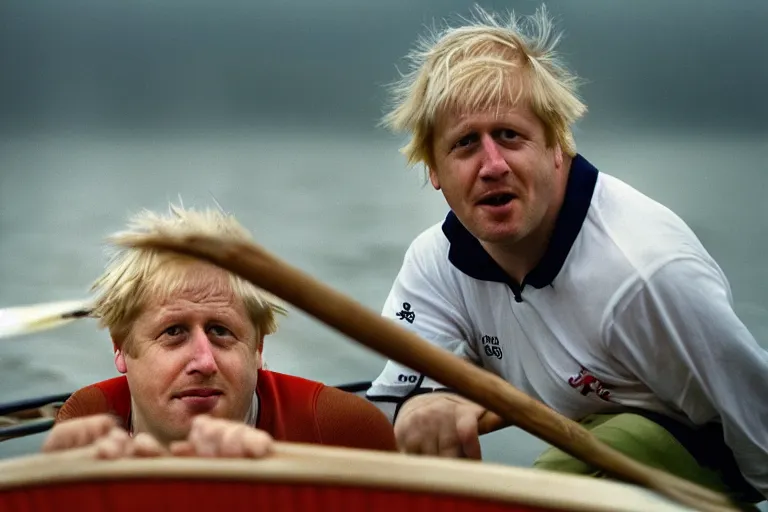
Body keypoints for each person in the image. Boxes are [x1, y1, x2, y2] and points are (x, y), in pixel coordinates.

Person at [364, 5, 768, 505]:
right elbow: (389, 407)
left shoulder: (645, 273)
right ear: (435, 172)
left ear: (557, 145)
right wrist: (421, 409)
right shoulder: (435, 266)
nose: (492, 165)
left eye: (509, 135)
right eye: (466, 144)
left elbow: (762, 439)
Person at [43, 203, 397, 459]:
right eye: (173, 332)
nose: (204, 360)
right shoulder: (89, 424)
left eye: (220, 331)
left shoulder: (340, 432)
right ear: (120, 348)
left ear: (258, 348)